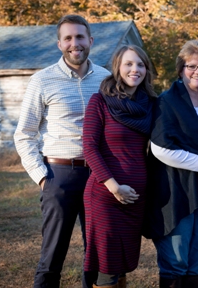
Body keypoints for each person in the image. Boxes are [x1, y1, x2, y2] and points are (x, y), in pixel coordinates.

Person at [13, 14, 110, 288]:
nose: (74, 43)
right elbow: (25, 134)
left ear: (90, 40)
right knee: (52, 255)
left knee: (97, 255)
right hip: (59, 176)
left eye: (80, 37)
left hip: (98, 175)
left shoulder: (106, 79)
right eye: (67, 38)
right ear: (59, 44)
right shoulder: (42, 81)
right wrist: (42, 177)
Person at [144, 40, 198, 288]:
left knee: (197, 261)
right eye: (192, 66)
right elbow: (160, 148)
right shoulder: (167, 102)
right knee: (176, 261)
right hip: (175, 193)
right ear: (181, 69)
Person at [82, 45, 156, 287]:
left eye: (140, 64)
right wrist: (114, 187)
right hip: (105, 195)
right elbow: (89, 148)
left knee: (124, 263)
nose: (135, 69)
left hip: (136, 199)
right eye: (128, 64)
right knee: (107, 266)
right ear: (117, 67)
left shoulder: (151, 105)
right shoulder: (100, 101)